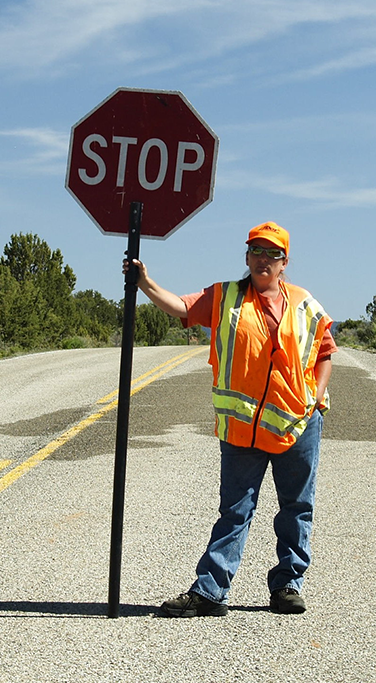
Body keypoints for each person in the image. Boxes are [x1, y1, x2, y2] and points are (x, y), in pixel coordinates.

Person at [125, 221, 336, 617]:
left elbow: (325, 351)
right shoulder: (225, 297)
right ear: (247, 256)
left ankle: (288, 585)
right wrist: (145, 284)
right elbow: (183, 307)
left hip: (298, 424)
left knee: (297, 507)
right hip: (242, 429)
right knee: (235, 510)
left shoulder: (305, 303)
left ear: (284, 262)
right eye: (257, 250)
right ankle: (210, 591)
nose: (263, 259)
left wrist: (316, 396)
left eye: (273, 253)